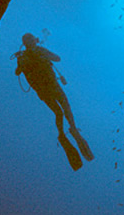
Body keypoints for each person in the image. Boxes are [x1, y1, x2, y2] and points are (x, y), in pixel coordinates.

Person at [14, 33, 94, 171]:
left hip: (49, 86)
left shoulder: (37, 51)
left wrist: (42, 56)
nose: (33, 42)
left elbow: (57, 58)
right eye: (31, 40)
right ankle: (66, 131)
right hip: (45, 88)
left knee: (63, 109)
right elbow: (18, 71)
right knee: (60, 111)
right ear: (27, 43)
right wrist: (25, 61)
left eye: (33, 40)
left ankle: (69, 130)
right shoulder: (25, 55)